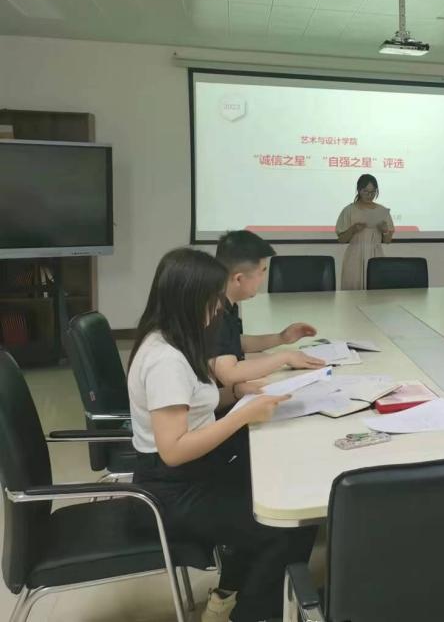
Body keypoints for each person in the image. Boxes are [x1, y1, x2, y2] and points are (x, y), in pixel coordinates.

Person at [128, 249, 316, 622]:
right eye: (213, 300)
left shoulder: (175, 339)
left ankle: (231, 594)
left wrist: (238, 394)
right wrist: (242, 414)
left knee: (280, 488)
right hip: (173, 490)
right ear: (190, 299)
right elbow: (173, 450)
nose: (218, 309)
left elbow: (195, 404)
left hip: (197, 470)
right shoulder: (165, 359)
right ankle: (253, 612)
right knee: (286, 524)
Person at [210, 230, 325, 388]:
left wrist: (281, 338)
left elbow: (233, 342)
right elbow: (230, 374)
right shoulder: (213, 312)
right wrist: (285, 357)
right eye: (262, 271)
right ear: (239, 279)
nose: (263, 279)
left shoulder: (224, 301)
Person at [336, 174, 394, 290]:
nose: (369, 195)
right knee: (353, 293)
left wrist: (385, 231)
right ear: (359, 190)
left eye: (373, 192)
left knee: (376, 293)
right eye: (366, 192)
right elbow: (341, 240)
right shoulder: (349, 210)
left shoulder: (382, 211)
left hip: (376, 255)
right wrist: (353, 229)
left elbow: (388, 241)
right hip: (355, 256)